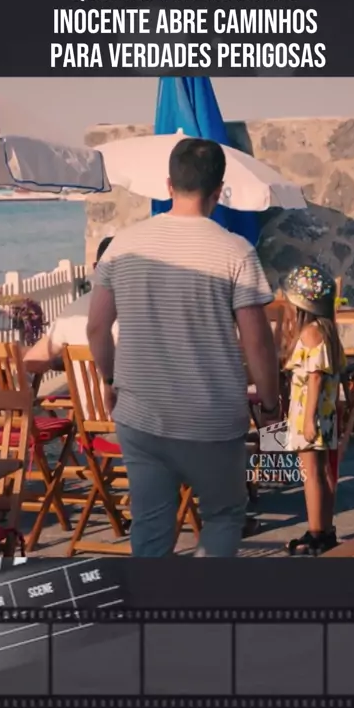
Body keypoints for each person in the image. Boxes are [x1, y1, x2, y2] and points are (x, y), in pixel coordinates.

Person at [87, 137, 280, 558]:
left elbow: (97, 327)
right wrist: (270, 404)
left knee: (151, 524)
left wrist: (110, 379)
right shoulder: (236, 252)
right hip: (213, 418)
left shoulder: (122, 246)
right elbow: (258, 341)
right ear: (219, 191)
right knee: (223, 516)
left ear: (168, 185)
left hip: (141, 415)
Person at [283, 265, 345, 556]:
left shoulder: (310, 333)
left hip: (310, 412)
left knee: (311, 474)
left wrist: (308, 420)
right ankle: (326, 530)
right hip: (326, 412)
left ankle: (316, 533)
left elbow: (315, 376)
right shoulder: (327, 331)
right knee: (323, 471)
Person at [23, 237, 115, 411]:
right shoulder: (147, 313)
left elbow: (32, 361)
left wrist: (63, 362)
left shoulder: (74, 311)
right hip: (136, 423)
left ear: (96, 268)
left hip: (89, 419)